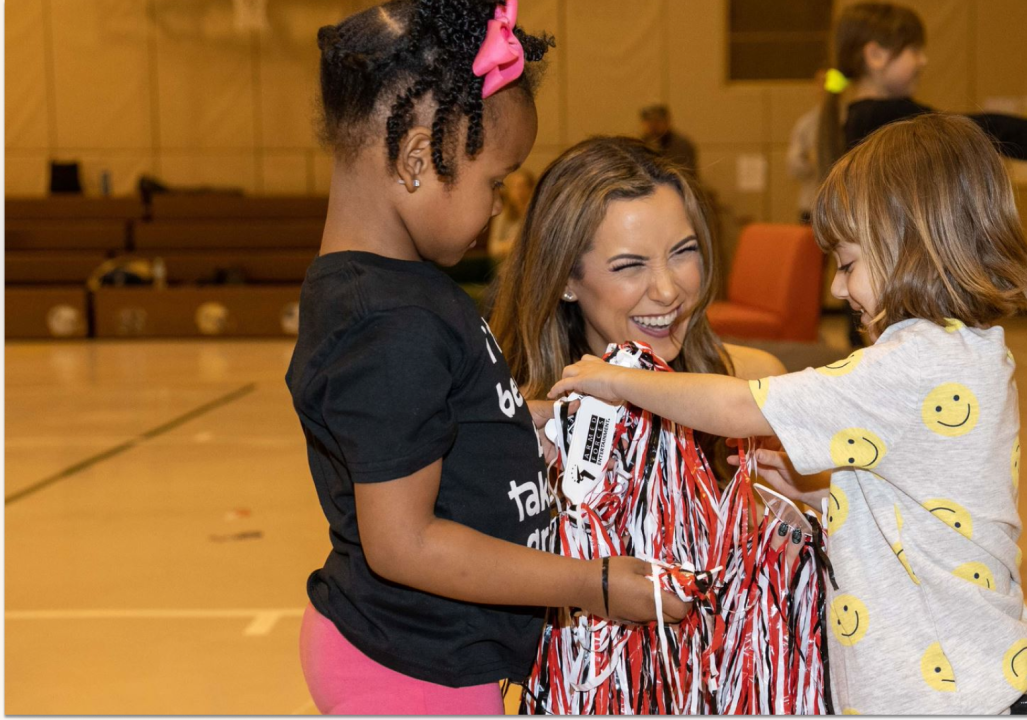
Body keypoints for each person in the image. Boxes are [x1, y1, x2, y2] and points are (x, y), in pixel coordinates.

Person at [552, 115, 1027, 715]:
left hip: (957, 698)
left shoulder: (912, 365)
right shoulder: (962, 355)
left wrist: (621, 378)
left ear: (910, 247)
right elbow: (920, 510)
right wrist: (825, 498)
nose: (841, 289)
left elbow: (739, 404)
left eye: (848, 265)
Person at [285, 2, 686, 715]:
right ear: (416, 160)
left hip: (424, 658)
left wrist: (521, 422)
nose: (500, 206)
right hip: (409, 671)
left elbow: (438, 428)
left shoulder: (398, 292)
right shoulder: (388, 323)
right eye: (496, 182)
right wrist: (592, 583)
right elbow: (403, 544)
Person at [489, 136, 785, 470]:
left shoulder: (754, 385)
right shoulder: (519, 417)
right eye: (630, 265)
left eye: (684, 251)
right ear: (565, 280)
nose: (667, 291)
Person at [817, 2, 1027, 206]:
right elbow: (985, 130)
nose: (923, 60)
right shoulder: (884, 118)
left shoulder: (864, 117)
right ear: (876, 55)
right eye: (914, 50)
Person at [787, 71, 828, 224]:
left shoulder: (849, 119)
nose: (827, 87)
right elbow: (793, 166)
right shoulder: (805, 125)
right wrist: (810, 160)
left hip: (844, 206)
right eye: (823, 82)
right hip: (811, 204)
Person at [640, 104, 700, 179]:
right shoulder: (639, 144)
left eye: (657, 121)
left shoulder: (681, 145)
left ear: (667, 122)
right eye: (649, 122)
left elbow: (686, 174)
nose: (654, 126)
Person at [487, 167, 535, 261]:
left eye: (523, 186)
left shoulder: (536, 215)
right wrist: (512, 246)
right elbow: (493, 248)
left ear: (531, 189)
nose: (519, 192)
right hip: (507, 266)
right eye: (515, 187)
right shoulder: (502, 216)